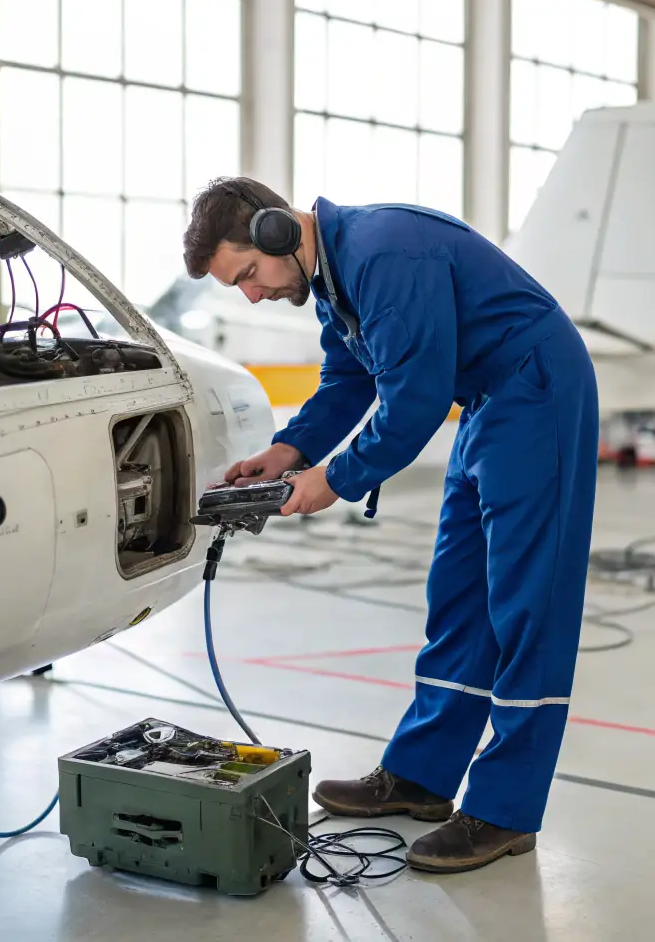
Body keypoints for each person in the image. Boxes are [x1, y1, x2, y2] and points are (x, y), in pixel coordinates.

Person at [181, 177, 599, 874]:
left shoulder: (384, 255)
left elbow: (416, 399)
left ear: (278, 231)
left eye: (249, 275)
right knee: (459, 599)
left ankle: (503, 810)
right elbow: (349, 378)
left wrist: (332, 482)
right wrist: (287, 453)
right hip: (489, 406)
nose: (251, 294)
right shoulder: (337, 275)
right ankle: (422, 776)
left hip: (535, 396)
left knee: (529, 609)